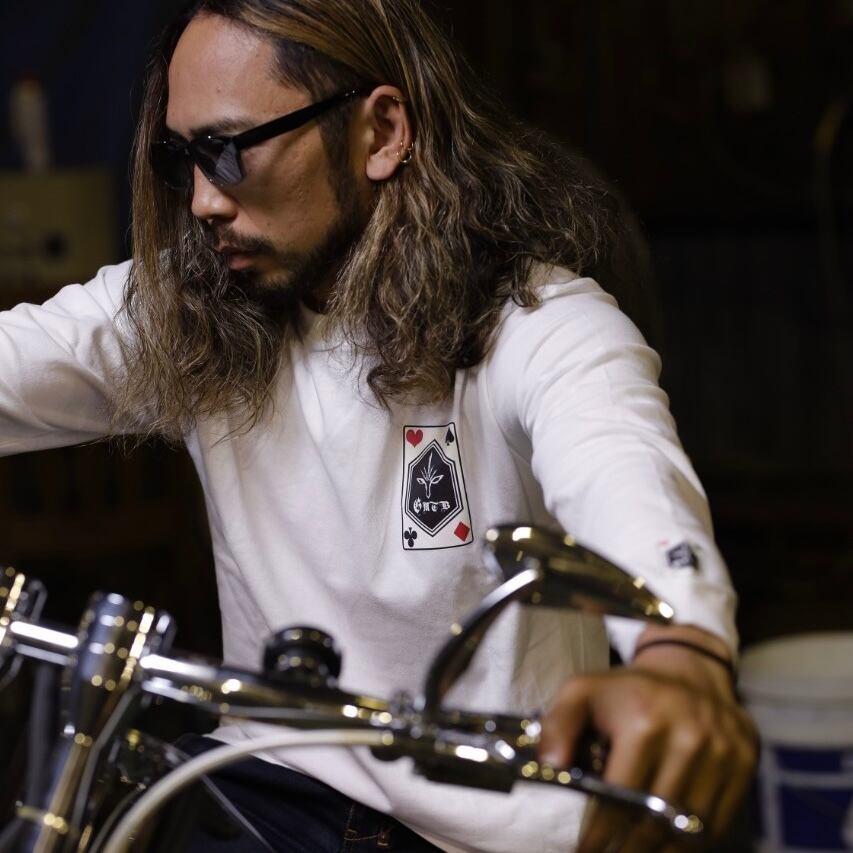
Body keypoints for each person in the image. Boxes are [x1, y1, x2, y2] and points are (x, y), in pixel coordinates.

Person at [0, 0, 757, 850]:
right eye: (185, 159)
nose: (203, 201)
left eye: (230, 150)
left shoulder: (537, 323)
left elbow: (622, 469)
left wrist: (679, 653)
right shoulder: (194, 311)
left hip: (485, 828)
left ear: (381, 132)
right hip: (262, 790)